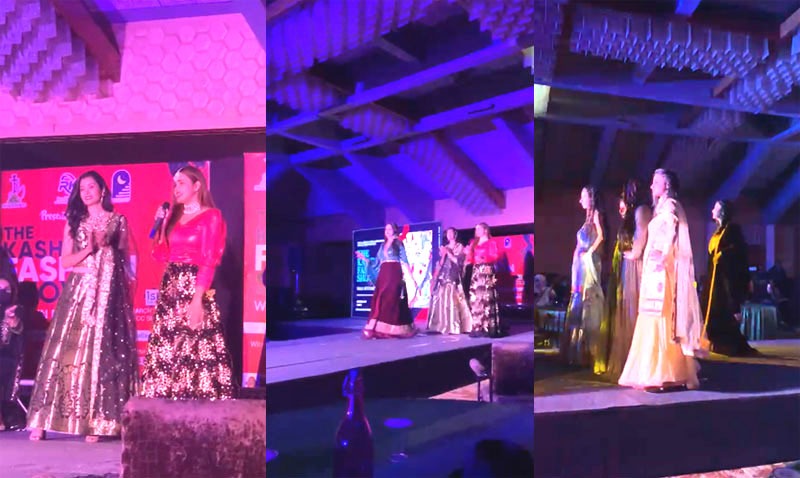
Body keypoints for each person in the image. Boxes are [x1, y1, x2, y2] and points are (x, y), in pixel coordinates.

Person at [28, 171, 138, 441]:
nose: (86, 192)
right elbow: (65, 262)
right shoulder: (74, 222)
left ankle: (98, 422)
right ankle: (44, 419)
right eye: (82, 189)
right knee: (66, 353)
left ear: (103, 190)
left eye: (91, 187)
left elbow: (129, 261)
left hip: (108, 296)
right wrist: (88, 250)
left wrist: (124, 294)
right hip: (79, 294)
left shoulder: (118, 221)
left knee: (104, 354)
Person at [142, 165, 234, 400]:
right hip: (170, 288)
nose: (176, 188)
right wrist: (161, 225)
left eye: (181, 183)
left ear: (197, 186)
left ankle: (196, 407)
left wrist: (197, 300)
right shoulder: (173, 215)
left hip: (194, 286)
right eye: (175, 184)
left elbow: (209, 260)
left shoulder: (211, 216)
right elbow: (160, 255)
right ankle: (164, 405)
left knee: (194, 349)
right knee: (167, 350)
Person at [619, 169, 708, 392]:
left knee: (661, 315)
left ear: (666, 185)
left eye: (656, 182)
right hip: (652, 269)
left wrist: (665, 253)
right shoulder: (659, 207)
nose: (651, 186)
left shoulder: (670, 205)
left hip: (660, 271)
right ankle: (655, 370)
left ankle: (665, 372)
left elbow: (672, 228)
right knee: (650, 315)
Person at [605, 180, 652, 380]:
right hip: (627, 267)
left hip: (636, 266)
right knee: (626, 308)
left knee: (634, 308)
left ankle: (640, 361)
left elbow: (642, 236)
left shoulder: (642, 211)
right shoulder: (631, 215)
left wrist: (634, 254)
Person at [701, 200, 757, 356]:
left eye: (715, 208)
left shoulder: (732, 229)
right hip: (714, 279)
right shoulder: (717, 231)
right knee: (712, 310)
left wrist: (723, 254)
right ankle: (716, 342)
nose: (712, 210)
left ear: (722, 212)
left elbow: (739, 250)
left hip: (725, 279)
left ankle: (730, 345)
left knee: (724, 311)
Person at [560, 187, 605, 371]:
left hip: (587, 264)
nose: (581, 200)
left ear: (591, 198)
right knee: (578, 301)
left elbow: (601, 236)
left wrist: (589, 252)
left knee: (588, 301)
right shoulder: (586, 219)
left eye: (583, 197)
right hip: (579, 266)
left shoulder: (596, 214)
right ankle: (576, 350)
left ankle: (587, 350)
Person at [355, 223, 418, 339]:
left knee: (392, 298)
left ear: (394, 230)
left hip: (394, 272)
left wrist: (412, 277)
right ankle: (378, 328)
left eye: (390, 229)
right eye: (386, 229)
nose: (387, 231)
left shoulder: (398, 243)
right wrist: (364, 258)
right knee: (381, 297)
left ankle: (394, 328)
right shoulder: (382, 245)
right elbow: (376, 262)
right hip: (384, 273)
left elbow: (404, 260)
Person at [427, 227, 472, 335]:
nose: (449, 235)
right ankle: (441, 325)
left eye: (451, 233)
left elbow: (458, 261)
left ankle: (454, 325)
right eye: (447, 233)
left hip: (454, 274)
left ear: (455, 234)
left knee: (453, 299)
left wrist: (448, 253)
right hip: (443, 275)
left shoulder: (459, 246)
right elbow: (441, 263)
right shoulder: (445, 247)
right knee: (441, 298)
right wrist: (443, 255)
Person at [465, 223, 503, 338]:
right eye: (476, 229)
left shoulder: (491, 242)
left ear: (485, 230)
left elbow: (495, 256)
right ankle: (477, 326)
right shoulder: (473, 242)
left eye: (479, 229)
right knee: (475, 298)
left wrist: (484, 258)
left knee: (486, 298)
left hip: (486, 270)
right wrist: (468, 254)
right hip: (476, 271)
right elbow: (471, 259)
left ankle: (488, 326)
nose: (476, 231)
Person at [0, 275, 23, 431]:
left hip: (10, 359)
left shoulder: (16, 310)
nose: (2, 293)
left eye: (6, 290)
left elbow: (20, 331)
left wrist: (14, 323)